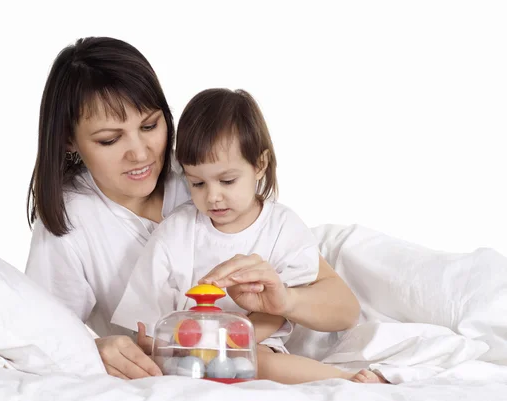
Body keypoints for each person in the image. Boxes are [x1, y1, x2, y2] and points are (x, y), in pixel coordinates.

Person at [24, 36, 363, 382]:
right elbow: (41, 336)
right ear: (69, 139)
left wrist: (281, 305)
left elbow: (341, 302)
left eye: (150, 125)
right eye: (110, 139)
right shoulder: (69, 221)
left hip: (273, 352)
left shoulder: (198, 174)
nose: (140, 154)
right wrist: (95, 349)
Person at [110, 88, 385, 384]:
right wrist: (157, 346)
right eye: (197, 183)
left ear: (260, 165)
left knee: (263, 365)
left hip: (256, 347)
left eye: (227, 180)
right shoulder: (175, 233)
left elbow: (279, 312)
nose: (213, 197)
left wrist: (234, 341)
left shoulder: (281, 227)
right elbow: (149, 317)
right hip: (186, 354)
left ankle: (346, 379)